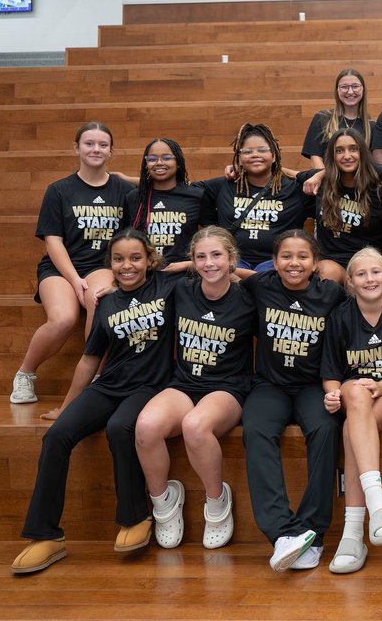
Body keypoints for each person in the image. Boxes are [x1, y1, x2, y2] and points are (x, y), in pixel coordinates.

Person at [11, 228, 177, 574]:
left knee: (120, 428)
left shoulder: (167, 287)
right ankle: (46, 536)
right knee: (57, 436)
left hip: (150, 386)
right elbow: (89, 360)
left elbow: (204, 269)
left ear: (150, 260)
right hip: (109, 385)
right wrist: (68, 407)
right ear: (110, 263)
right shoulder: (105, 302)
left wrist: (171, 267)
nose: (126, 266)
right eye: (118, 259)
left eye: (135, 258)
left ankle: (135, 518)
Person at [134, 226, 257, 550]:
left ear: (231, 258)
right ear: (192, 261)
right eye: (200, 257)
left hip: (228, 388)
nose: (208, 263)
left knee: (195, 426)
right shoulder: (181, 290)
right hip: (185, 383)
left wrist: (235, 271)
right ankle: (164, 503)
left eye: (217, 255)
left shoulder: (249, 294)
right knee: (145, 426)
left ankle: (216, 502)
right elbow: (136, 288)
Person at [241, 230, 348, 572]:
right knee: (255, 428)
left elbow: (366, 303)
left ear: (316, 263)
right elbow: (224, 273)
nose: (294, 263)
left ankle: (313, 534)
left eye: (303, 256)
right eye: (286, 255)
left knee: (325, 429)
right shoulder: (260, 285)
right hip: (269, 385)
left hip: (311, 386)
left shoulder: (330, 293)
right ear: (274, 262)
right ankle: (283, 533)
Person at [13, 122, 132, 406]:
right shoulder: (59, 190)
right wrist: (74, 279)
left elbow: (167, 181)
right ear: (76, 148)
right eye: (89, 143)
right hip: (60, 267)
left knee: (99, 302)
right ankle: (25, 373)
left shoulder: (124, 190)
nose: (96, 149)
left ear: (111, 151)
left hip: (102, 266)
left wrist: (131, 179)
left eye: (103, 144)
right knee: (64, 319)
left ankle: (94, 378)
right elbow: (52, 241)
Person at [320, 248, 382, 574]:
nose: (370, 279)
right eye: (361, 274)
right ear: (349, 281)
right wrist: (333, 395)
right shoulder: (340, 317)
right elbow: (332, 377)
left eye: (376, 272)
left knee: (352, 429)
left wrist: (381, 387)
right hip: (356, 396)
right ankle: (377, 507)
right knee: (353, 392)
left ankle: (353, 534)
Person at [200, 123, 315, 271]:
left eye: (262, 150)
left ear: (274, 156)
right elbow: (188, 191)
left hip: (277, 264)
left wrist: (286, 171)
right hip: (233, 262)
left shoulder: (295, 188)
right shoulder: (223, 185)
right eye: (247, 152)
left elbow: (327, 176)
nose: (255, 154)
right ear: (239, 158)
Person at [309, 128, 382, 284]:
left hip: (367, 259)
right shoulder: (321, 184)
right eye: (339, 151)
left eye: (353, 149)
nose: (347, 156)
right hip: (332, 260)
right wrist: (320, 174)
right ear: (332, 156)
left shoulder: (379, 186)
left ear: (363, 153)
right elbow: (289, 175)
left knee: (361, 281)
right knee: (326, 277)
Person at [127, 137, 203, 270]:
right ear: (146, 164)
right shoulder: (134, 197)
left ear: (178, 162)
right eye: (152, 159)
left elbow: (212, 237)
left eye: (167, 158)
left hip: (183, 274)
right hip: (144, 275)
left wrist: (190, 264)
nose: (159, 163)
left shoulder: (196, 196)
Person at [301, 68, 374, 169]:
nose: (350, 91)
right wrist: (328, 181)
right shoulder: (322, 119)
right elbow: (315, 159)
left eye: (355, 86)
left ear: (363, 89)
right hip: (328, 182)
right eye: (344, 87)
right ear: (337, 90)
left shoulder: (372, 126)